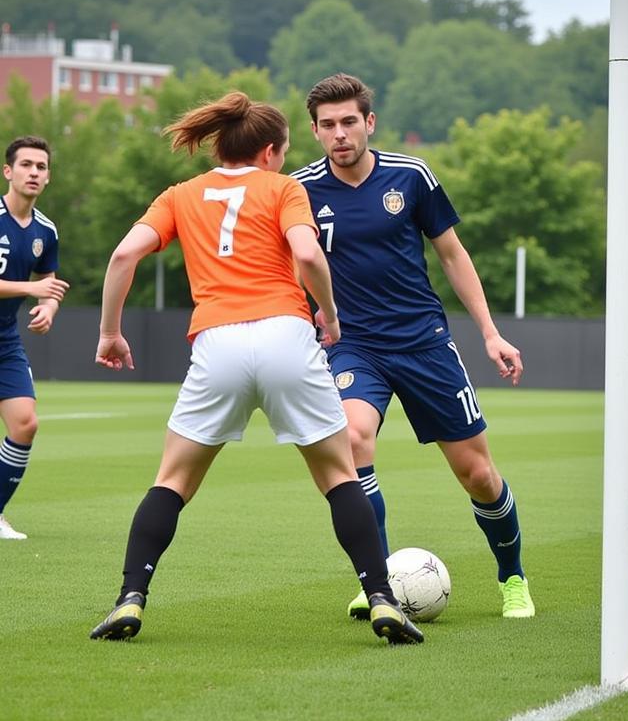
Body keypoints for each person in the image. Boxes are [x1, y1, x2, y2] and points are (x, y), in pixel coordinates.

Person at [89, 92, 422, 645]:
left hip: (216, 341)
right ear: (270, 152)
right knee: (339, 475)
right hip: (286, 336)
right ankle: (383, 599)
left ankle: (130, 599)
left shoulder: (181, 194)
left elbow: (123, 256)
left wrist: (109, 332)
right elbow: (310, 256)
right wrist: (331, 316)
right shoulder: (283, 187)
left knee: (172, 479)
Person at [292, 72, 533, 621]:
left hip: (424, 344)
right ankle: (376, 583)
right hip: (352, 346)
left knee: (478, 474)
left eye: (349, 122)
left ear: (369, 122)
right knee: (353, 441)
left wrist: (490, 333)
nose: (340, 134)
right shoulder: (300, 188)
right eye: (327, 126)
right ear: (315, 131)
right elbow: (290, 265)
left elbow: (451, 254)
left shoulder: (412, 176)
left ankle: (513, 576)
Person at [0, 136, 67, 541]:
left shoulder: (46, 229)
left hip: (6, 340)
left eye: (40, 167)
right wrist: (30, 292)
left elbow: (49, 282)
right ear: (8, 171)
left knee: (25, 424)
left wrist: (49, 308)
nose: (34, 172)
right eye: (26, 165)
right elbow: (35, 287)